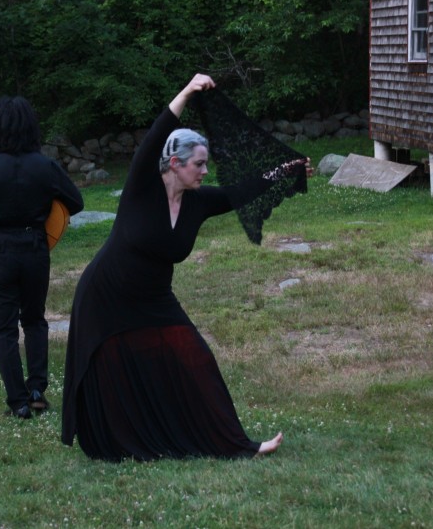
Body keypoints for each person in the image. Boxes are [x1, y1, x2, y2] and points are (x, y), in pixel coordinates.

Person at [61, 74, 288, 461]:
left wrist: (283, 172)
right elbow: (155, 135)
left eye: (206, 164)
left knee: (195, 359)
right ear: (174, 163)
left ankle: (239, 445)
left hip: (154, 298)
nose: (204, 172)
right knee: (112, 369)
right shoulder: (141, 187)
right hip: (107, 292)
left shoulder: (199, 202)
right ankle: (116, 444)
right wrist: (185, 92)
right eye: (199, 165)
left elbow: (239, 193)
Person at [0, 95, 84, 419]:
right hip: (34, 247)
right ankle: (37, 393)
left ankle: (17, 401)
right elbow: (77, 201)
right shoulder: (45, 166)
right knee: (34, 320)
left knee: (3, 329)